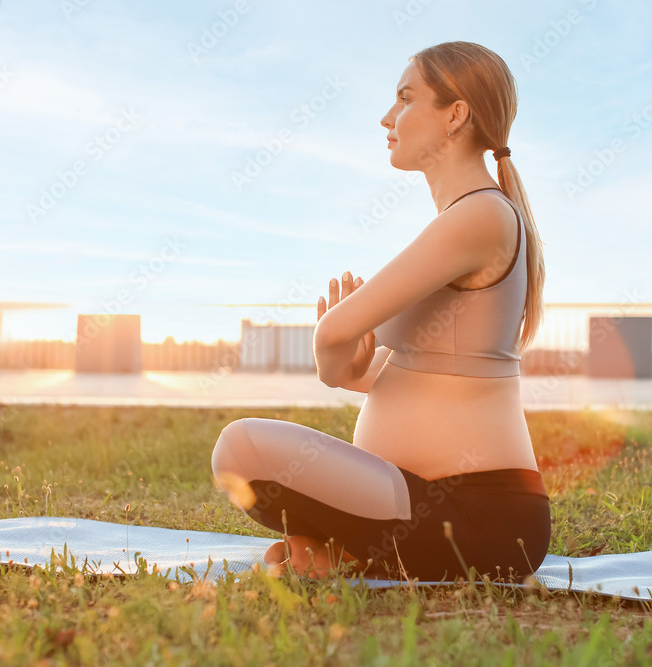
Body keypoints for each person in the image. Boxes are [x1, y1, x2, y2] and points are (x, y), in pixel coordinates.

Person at [211, 41, 550, 584]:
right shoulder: (466, 219)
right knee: (241, 451)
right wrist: (347, 370)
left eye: (405, 98)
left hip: (479, 516)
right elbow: (408, 373)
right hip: (419, 503)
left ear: (455, 114)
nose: (387, 117)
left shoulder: (481, 216)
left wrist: (333, 356)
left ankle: (348, 547)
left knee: (241, 447)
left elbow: (334, 332)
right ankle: (345, 550)